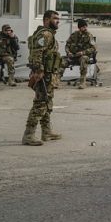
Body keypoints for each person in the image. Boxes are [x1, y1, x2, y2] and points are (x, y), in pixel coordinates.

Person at [22, 10, 63, 146]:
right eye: (55, 18)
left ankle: (46, 132)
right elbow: (37, 53)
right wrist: (38, 71)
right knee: (40, 104)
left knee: (46, 102)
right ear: (46, 20)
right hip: (43, 75)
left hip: (49, 75)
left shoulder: (49, 34)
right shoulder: (45, 34)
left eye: (58, 18)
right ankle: (28, 135)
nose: (58, 21)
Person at [65, 18, 97, 89]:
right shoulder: (74, 35)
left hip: (83, 56)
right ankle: (55, 81)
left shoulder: (89, 36)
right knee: (62, 61)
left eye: (86, 26)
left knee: (83, 59)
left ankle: (82, 82)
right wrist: (68, 52)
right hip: (73, 55)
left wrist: (83, 52)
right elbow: (67, 45)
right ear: (79, 28)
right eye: (83, 27)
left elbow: (94, 48)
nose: (85, 28)